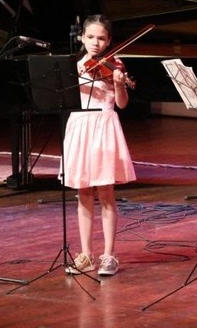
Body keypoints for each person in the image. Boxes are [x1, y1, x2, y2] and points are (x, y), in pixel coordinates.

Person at [63, 14, 136, 276]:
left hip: (104, 128)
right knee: (83, 194)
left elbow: (122, 103)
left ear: (109, 41)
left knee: (106, 194)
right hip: (80, 128)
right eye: (91, 37)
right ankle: (85, 254)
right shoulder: (74, 65)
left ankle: (109, 255)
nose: (95, 43)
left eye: (101, 38)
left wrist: (119, 84)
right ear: (82, 37)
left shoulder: (115, 66)